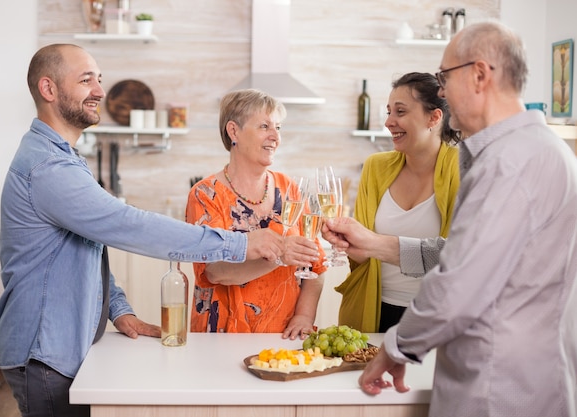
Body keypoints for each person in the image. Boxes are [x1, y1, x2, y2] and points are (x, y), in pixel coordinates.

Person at [0, 44, 285, 417]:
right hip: (45, 352)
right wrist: (240, 243)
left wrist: (117, 309)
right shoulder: (48, 167)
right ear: (49, 90)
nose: (100, 90)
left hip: (55, 349)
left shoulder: (63, 157)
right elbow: (128, 225)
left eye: (99, 79)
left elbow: (86, 248)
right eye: (87, 80)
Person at [331, 21, 577, 417]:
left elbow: (459, 282)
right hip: (514, 380)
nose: (441, 91)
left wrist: (396, 348)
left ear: (480, 75)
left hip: (498, 390)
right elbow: (457, 257)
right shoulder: (533, 151)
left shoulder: (509, 163)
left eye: (446, 77)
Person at [185, 89, 326, 339]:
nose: (275, 137)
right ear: (234, 131)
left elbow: (316, 265)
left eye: (278, 128)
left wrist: (304, 316)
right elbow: (215, 271)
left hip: (283, 337)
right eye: (264, 126)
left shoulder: (290, 189)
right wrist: (279, 256)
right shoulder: (205, 194)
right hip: (220, 336)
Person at [334, 72, 460, 334]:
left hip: (434, 319)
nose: (389, 122)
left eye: (400, 112)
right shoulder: (375, 167)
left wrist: (370, 243)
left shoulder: (463, 170)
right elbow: (364, 254)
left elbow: (459, 256)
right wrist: (349, 244)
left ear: (434, 117)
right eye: (389, 112)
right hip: (375, 310)